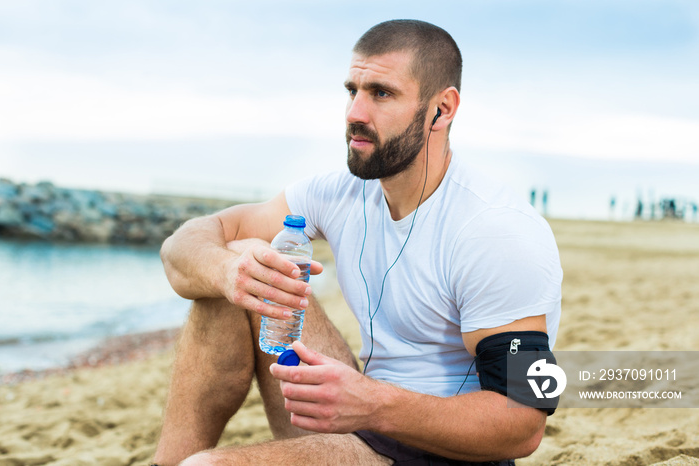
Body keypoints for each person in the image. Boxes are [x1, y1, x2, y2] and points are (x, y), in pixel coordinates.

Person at [152, 19, 562, 466]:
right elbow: (182, 249)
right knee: (233, 267)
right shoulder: (338, 193)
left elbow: (524, 422)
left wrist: (371, 403)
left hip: (440, 451)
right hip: (361, 419)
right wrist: (229, 272)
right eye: (353, 91)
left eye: (381, 94)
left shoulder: (495, 230)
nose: (354, 114)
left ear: (441, 110)